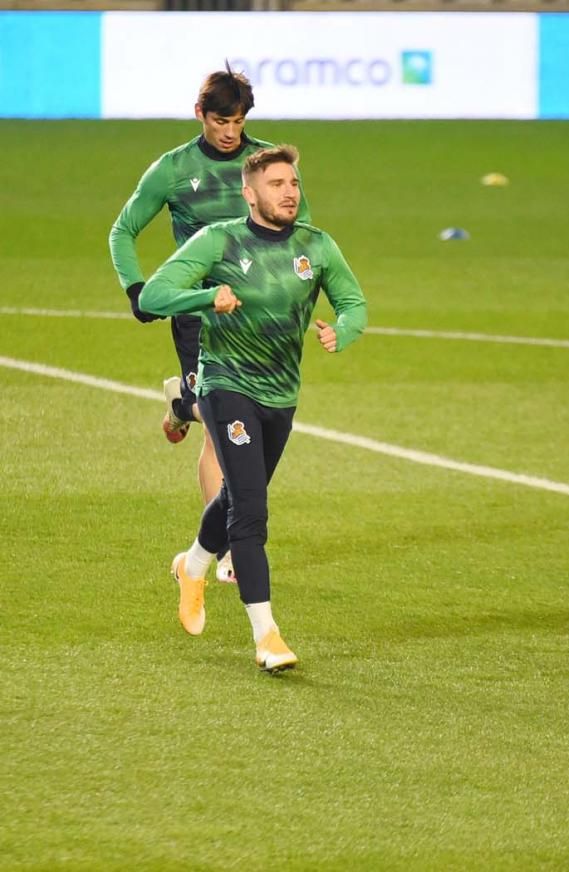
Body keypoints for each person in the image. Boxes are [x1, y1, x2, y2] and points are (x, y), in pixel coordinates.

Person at [139, 145, 366, 671]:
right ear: (250, 194)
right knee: (252, 509)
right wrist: (203, 298)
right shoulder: (218, 240)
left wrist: (345, 330)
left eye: (293, 183)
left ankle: (192, 565)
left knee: (246, 492)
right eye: (276, 184)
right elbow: (153, 296)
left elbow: (354, 302)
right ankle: (267, 636)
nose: (288, 192)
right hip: (226, 385)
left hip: (280, 394)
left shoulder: (318, 246)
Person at [108, 64, 311, 585]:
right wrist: (137, 289)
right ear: (200, 114)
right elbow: (123, 230)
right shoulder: (173, 170)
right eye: (221, 120)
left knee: (238, 418)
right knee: (224, 435)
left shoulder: (265, 166)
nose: (231, 132)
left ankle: (183, 404)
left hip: (258, 317)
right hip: (199, 314)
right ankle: (223, 552)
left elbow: (301, 234)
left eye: (239, 121)